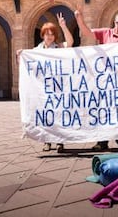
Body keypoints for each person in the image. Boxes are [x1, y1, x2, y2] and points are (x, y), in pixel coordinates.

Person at [74, 10, 118, 151]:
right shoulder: (106, 33)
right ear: (113, 23)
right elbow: (87, 33)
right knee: (103, 110)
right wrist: (79, 19)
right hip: (105, 79)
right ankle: (101, 141)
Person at [33, 13, 74, 152]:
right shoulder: (36, 51)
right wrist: (20, 54)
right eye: (47, 34)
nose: (49, 37)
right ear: (42, 35)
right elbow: (26, 62)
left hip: (59, 88)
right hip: (43, 89)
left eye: (52, 34)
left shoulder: (59, 47)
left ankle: (60, 141)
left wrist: (63, 26)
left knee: (59, 114)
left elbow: (71, 42)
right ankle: (47, 141)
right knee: (47, 115)